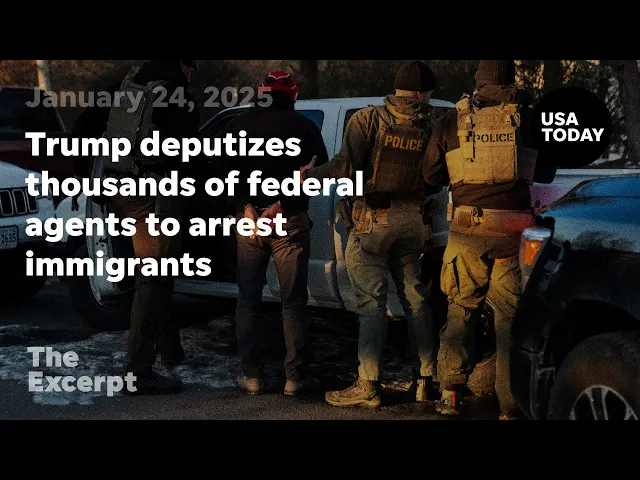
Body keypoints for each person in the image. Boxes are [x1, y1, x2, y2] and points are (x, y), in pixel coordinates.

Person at [301, 61, 440, 408]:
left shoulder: (368, 119)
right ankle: (426, 380)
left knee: (370, 304)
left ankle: (368, 384)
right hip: (412, 223)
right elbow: (437, 176)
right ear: (421, 93)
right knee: (416, 302)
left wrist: (308, 176)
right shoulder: (432, 124)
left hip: (372, 223)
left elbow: (345, 166)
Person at [423, 60, 557, 419]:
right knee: (509, 318)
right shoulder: (529, 120)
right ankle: (510, 406)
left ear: (479, 81)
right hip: (514, 230)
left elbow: (431, 174)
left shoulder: (452, 120)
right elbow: (546, 172)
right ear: (511, 81)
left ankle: (450, 394)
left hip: (468, 229)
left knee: (461, 308)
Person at [220, 71, 329, 396]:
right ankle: (295, 378)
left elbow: (221, 174)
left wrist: (245, 207)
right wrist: (282, 204)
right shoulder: (305, 127)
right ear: (292, 96)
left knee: (248, 299)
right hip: (289, 222)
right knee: (292, 302)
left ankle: (251, 376)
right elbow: (319, 173)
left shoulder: (237, 127)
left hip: (249, 222)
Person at [97, 59, 202, 394]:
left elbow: (94, 131)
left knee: (157, 274)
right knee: (154, 279)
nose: (191, 75)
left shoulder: (128, 88)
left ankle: (170, 349)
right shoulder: (176, 95)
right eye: (191, 68)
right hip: (152, 194)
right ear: (182, 65)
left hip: (121, 188)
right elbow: (189, 153)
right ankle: (138, 372)